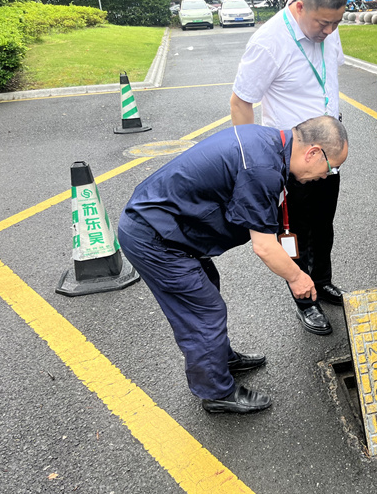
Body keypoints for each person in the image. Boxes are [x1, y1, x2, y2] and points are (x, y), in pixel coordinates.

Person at [118, 116, 349, 414]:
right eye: (331, 167)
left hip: (171, 229)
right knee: (204, 310)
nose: (327, 175)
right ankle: (216, 392)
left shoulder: (269, 145)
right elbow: (264, 246)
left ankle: (220, 360)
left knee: (207, 288)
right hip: (155, 237)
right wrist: (298, 278)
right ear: (313, 152)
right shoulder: (262, 170)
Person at [230, 0, 347, 337]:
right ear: (299, 7)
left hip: (326, 153)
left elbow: (327, 77)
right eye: (323, 22)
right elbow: (240, 101)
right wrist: (251, 161)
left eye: (336, 22)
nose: (329, 30)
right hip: (292, 159)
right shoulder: (269, 42)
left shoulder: (328, 29)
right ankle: (304, 297)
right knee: (293, 232)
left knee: (324, 224)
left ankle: (322, 281)